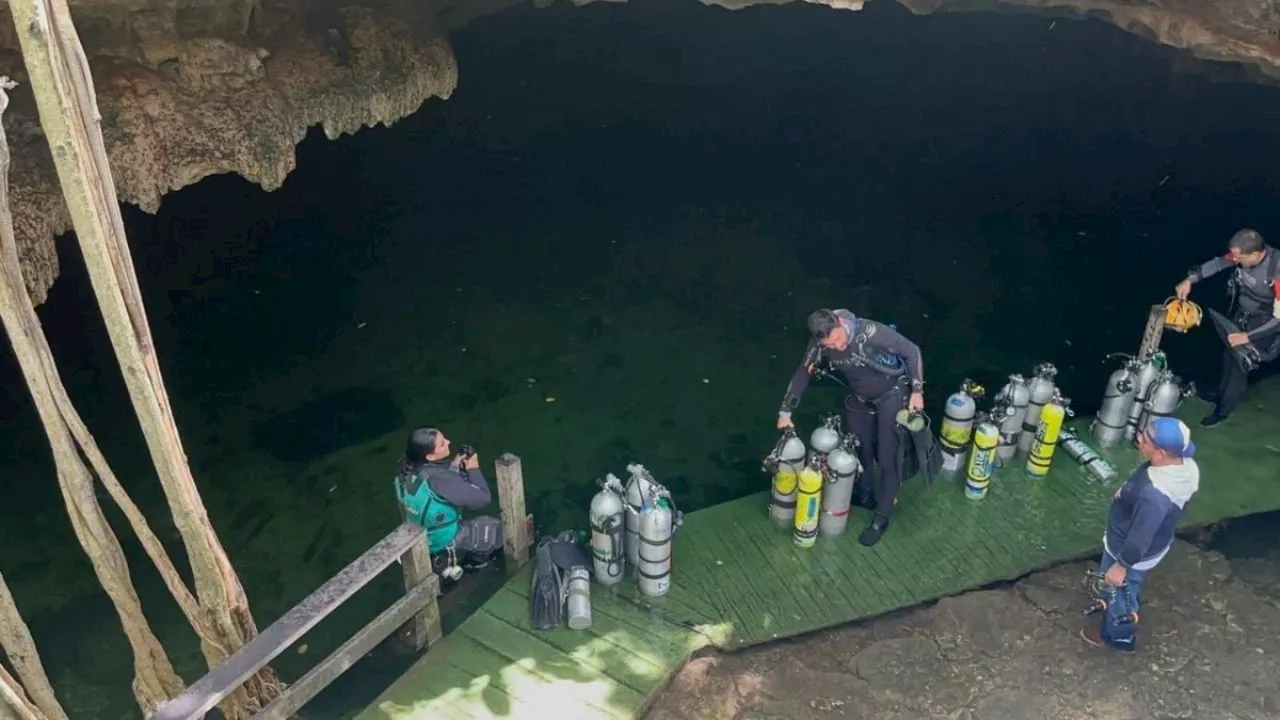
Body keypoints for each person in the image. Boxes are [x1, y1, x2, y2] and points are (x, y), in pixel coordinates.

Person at [777, 308, 926, 547]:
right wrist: (785, 412)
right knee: (860, 450)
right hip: (859, 397)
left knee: (887, 455)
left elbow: (911, 351)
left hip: (892, 394)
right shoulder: (819, 345)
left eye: (837, 339)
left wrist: (917, 391)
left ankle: (882, 516)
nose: (836, 346)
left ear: (839, 324)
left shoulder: (871, 332)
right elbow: (803, 373)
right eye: (830, 344)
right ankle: (864, 494)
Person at [1081, 417, 1199, 653]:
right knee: (1116, 586)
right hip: (1153, 541)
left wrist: (1121, 566)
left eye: (1145, 439)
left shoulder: (1153, 497)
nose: (1139, 438)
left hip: (1128, 552)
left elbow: (1139, 538)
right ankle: (1110, 600)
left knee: (1120, 592)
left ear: (1162, 452)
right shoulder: (1185, 466)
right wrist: (1127, 492)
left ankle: (1119, 635)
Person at [1174, 228, 1280, 428]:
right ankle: (1220, 394)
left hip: (1264, 323)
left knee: (1240, 365)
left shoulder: (1277, 271)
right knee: (1228, 355)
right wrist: (1190, 280)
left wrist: (1248, 337)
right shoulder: (1242, 255)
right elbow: (1218, 263)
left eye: (1240, 257)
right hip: (1242, 314)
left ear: (1256, 254)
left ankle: (1223, 410)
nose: (1235, 260)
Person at [395, 427, 503, 574]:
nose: (448, 442)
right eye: (441, 444)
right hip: (443, 541)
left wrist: (454, 467)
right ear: (430, 457)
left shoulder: (405, 468)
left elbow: (436, 486)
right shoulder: (441, 480)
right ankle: (475, 564)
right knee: (499, 527)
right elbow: (483, 499)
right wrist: (473, 468)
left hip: (422, 534)